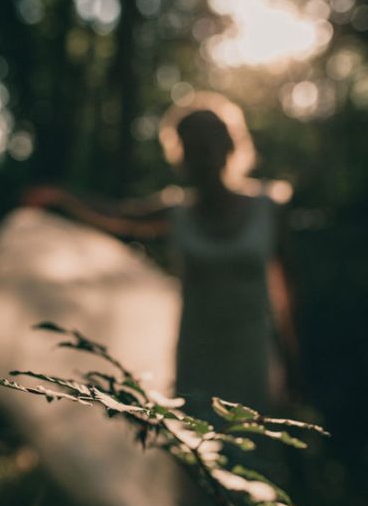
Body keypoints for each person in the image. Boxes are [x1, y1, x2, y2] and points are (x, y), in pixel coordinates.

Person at [23, 91, 297, 417]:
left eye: (209, 142)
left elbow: (286, 292)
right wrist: (62, 198)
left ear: (230, 145)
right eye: (192, 147)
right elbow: (119, 216)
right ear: (179, 154)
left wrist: (293, 361)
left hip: (253, 356)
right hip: (198, 357)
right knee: (199, 447)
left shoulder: (269, 208)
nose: (203, 155)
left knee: (260, 449)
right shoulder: (174, 212)